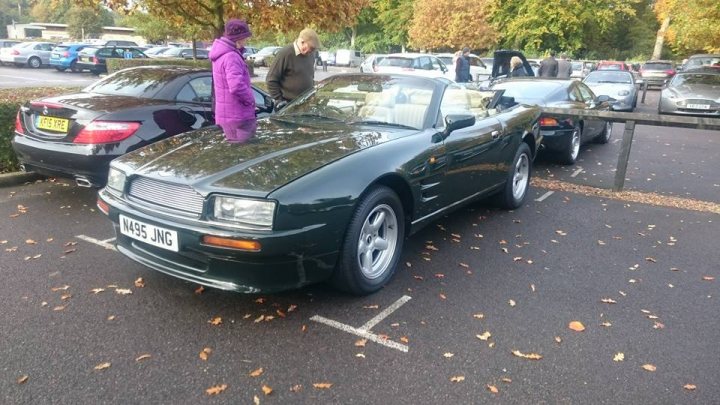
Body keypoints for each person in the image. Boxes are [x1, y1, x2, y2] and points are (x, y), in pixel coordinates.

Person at [209, 19, 256, 125]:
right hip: (237, 116)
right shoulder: (232, 56)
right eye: (245, 37)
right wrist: (251, 100)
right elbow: (236, 85)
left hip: (225, 115)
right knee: (242, 142)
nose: (246, 40)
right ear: (239, 38)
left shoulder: (221, 54)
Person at [266, 28, 320, 107]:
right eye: (311, 48)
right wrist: (279, 100)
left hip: (306, 104)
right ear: (302, 42)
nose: (312, 52)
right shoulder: (285, 53)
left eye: (313, 50)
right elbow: (271, 80)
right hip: (289, 106)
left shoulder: (311, 55)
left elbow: (310, 76)